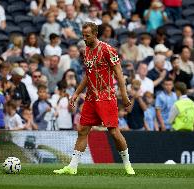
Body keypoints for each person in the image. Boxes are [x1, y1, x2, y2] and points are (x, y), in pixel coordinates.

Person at [53, 22, 135, 175]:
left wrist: (124, 96)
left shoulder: (107, 50)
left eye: (87, 36)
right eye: (83, 35)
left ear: (95, 34)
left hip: (106, 96)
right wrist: (77, 93)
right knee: (82, 130)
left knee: (114, 132)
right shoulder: (87, 50)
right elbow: (87, 75)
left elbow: (119, 73)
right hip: (91, 97)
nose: (84, 38)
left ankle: (127, 164)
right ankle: (72, 167)